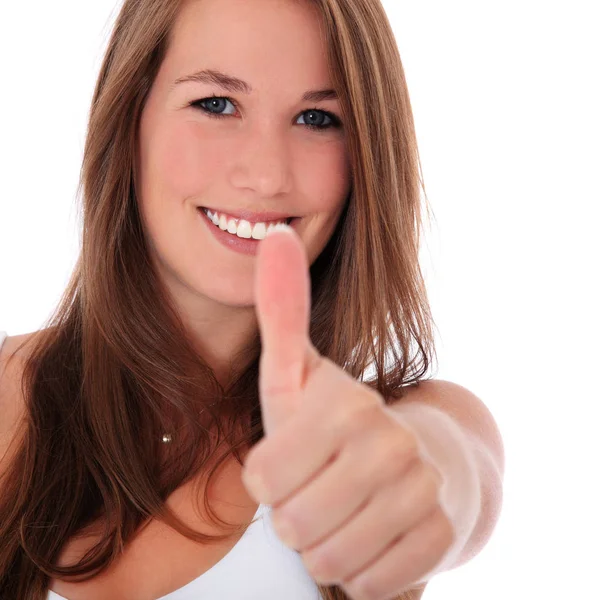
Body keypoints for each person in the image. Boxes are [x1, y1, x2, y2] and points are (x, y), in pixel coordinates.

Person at [0, 0, 505, 599]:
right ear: (129, 119)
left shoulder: (393, 427)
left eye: (318, 118)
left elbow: (456, 474)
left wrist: (417, 483)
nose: (266, 175)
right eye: (215, 104)